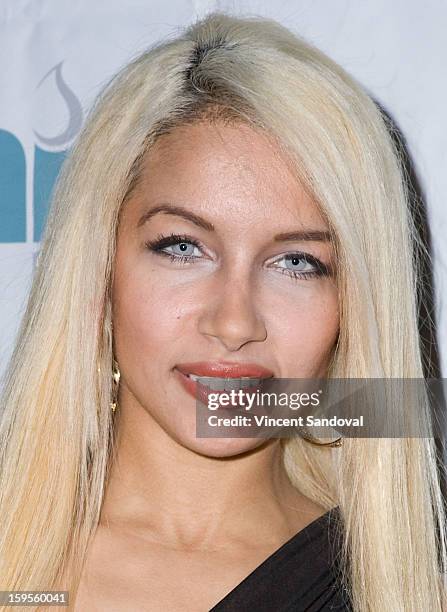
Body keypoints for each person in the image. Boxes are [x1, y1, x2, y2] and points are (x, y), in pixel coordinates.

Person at [0, 10, 445, 612]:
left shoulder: (407, 587)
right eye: (183, 248)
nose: (235, 323)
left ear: (355, 307)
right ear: (98, 266)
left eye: (296, 262)